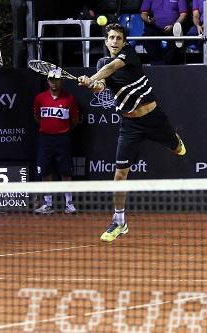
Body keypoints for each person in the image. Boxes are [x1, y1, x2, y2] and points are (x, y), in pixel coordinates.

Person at [78, 23, 186, 242]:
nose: (115, 41)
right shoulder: (102, 62)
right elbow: (102, 86)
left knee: (178, 149)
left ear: (124, 41)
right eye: (111, 38)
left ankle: (174, 140)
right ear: (106, 41)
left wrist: (93, 77)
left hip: (154, 119)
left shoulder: (129, 54)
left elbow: (109, 70)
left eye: (119, 38)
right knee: (120, 173)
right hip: (130, 126)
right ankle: (119, 221)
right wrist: (93, 84)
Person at [33, 68, 79, 215]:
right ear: (48, 81)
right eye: (51, 79)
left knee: (66, 172)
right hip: (45, 139)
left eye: (56, 79)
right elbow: (37, 117)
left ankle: (69, 204)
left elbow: (75, 120)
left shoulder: (69, 98)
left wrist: (63, 130)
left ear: (61, 80)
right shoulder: (40, 98)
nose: (54, 82)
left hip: (63, 139)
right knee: (46, 172)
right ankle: (47, 204)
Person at [140, 0, 188, 64]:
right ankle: (157, 62)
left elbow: (183, 14)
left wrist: (174, 25)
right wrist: (149, 21)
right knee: (147, 38)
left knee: (175, 40)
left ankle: (168, 64)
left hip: (173, 28)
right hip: (155, 27)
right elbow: (143, 13)